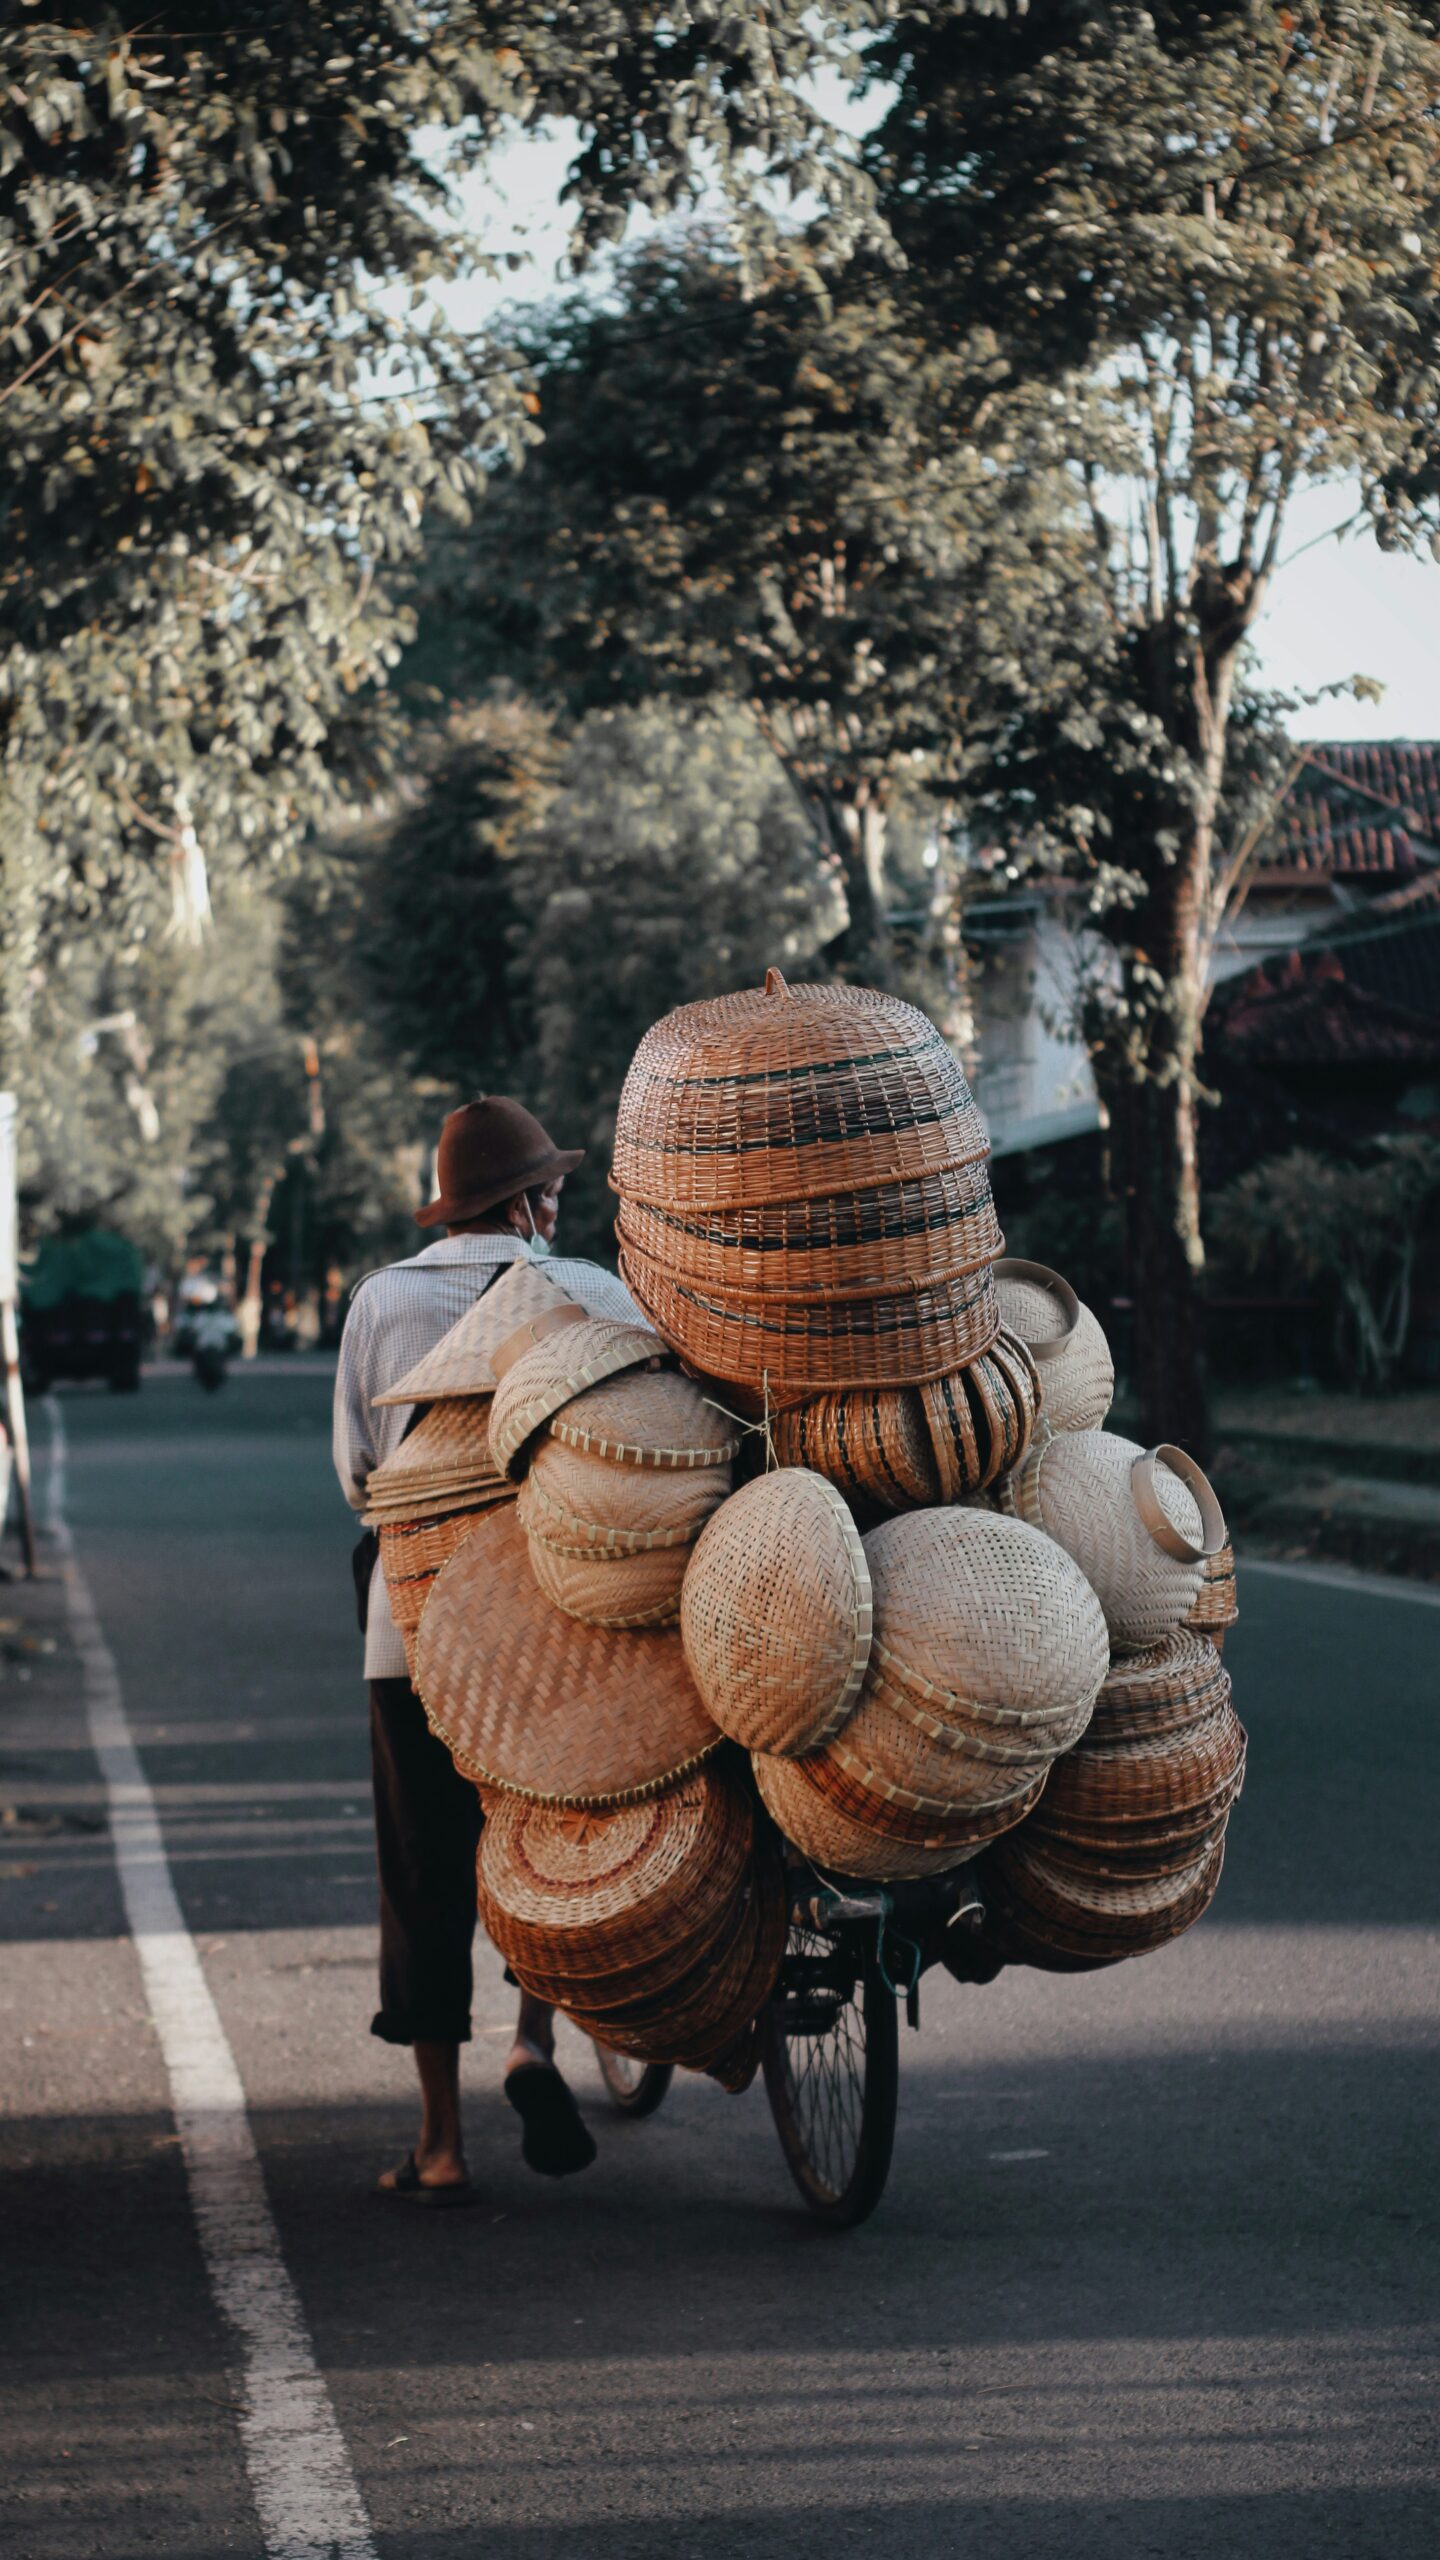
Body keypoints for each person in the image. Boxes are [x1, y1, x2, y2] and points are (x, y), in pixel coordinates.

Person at [333, 1096, 644, 2204]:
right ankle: (532, 2043)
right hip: (564, 1632)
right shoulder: (598, 1296)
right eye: (551, 1190)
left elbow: (360, 1478)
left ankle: (441, 2143)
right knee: (552, 1846)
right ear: (524, 1203)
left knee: (424, 1873)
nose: (559, 1206)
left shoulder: (382, 1302)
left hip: (414, 1637)